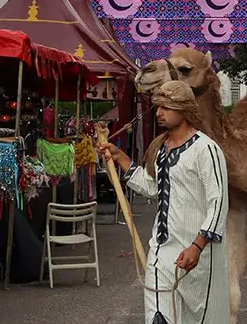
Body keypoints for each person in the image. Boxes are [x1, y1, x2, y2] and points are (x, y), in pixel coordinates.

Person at [98, 80, 229, 324]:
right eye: (158, 106)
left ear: (184, 109)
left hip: (198, 254)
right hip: (161, 252)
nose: (159, 112)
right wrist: (120, 158)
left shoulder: (206, 149)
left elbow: (218, 202)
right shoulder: (160, 149)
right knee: (159, 319)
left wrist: (197, 246)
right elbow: (152, 188)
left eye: (166, 107)